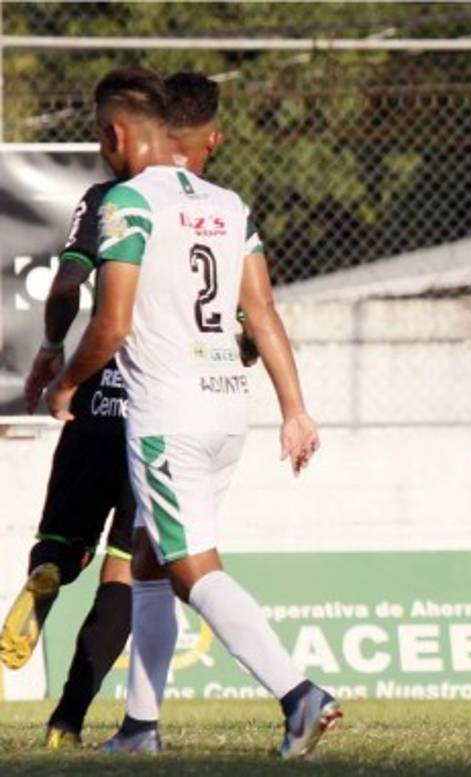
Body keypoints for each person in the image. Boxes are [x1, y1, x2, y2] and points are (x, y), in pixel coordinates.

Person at [42, 67, 336, 759]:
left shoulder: (127, 204)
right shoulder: (228, 205)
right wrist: (294, 408)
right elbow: (259, 309)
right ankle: (140, 727)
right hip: (227, 407)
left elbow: (111, 323)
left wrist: (66, 385)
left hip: (168, 413)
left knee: (189, 565)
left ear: (117, 134)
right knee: (147, 557)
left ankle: (299, 695)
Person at [0, 70, 246, 749]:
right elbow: (247, 319)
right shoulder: (208, 209)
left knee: (61, 539)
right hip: (160, 409)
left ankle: (46, 574)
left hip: (95, 401)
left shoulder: (105, 198)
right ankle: (67, 720)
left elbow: (69, 284)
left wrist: (53, 352)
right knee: (128, 570)